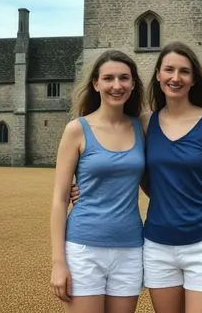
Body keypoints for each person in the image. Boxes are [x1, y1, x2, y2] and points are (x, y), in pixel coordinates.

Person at [71, 41, 202, 313]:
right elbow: (129, 166)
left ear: (194, 78)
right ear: (159, 76)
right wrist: (88, 189)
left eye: (184, 71)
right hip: (158, 245)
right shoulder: (145, 124)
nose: (176, 78)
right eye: (169, 70)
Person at [50, 50, 145, 313]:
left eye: (124, 78)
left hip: (130, 248)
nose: (117, 85)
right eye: (109, 78)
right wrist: (59, 262)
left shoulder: (141, 127)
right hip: (84, 247)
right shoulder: (77, 129)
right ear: (95, 83)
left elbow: (156, 181)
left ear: (133, 83)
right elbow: (59, 200)